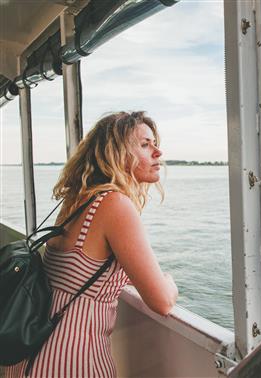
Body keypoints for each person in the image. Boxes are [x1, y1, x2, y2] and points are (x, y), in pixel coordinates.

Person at [6, 111, 178, 378]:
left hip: (32, 352)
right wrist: (168, 280)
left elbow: (83, 270)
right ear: (117, 153)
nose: (158, 152)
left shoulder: (79, 200)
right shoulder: (115, 204)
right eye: (145, 144)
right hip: (70, 359)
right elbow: (163, 302)